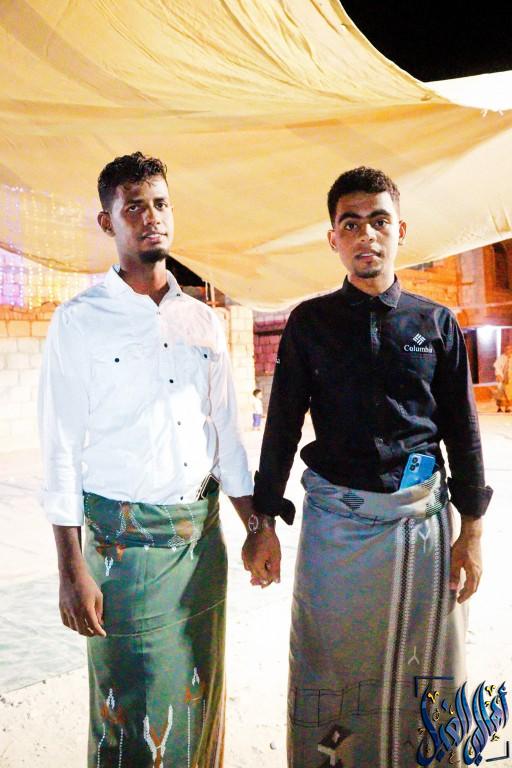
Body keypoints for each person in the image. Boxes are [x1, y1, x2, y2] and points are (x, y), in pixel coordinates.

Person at [38, 151, 280, 767]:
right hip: (122, 552)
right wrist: (71, 567)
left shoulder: (203, 322)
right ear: (108, 222)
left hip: (200, 548)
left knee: (199, 698)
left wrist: (256, 527)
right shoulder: (80, 323)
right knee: (132, 714)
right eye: (135, 207)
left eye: (161, 204)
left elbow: (226, 440)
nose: (152, 218)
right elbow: (60, 449)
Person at [246, 167, 493, 767]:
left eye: (379, 221)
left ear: (400, 230)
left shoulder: (435, 324)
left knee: (427, 666)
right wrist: (263, 524)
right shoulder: (310, 323)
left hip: (421, 529)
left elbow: (463, 433)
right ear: (333, 237)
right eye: (351, 224)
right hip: (336, 528)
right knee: (329, 659)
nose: (366, 235)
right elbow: (281, 428)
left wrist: (472, 534)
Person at [492, 344, 512, 412]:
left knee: (509, 394)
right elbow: (497, 367)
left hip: (510, 379)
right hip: (502, 378)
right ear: (504, 350)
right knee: (500, 393)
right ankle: (499, 407)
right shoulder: (501, 358)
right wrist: (498, 375)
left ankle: (507, 407)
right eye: (507, 349)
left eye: (509, 349)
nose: (508, 350)